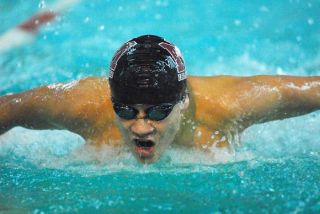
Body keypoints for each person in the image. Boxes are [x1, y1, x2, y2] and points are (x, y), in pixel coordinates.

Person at [0, 35, 319, 164]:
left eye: (157, 111)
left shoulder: (231, 105)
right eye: (126, 111)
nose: (140, 127)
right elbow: (8, 108)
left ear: (184, 102)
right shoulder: (82, 105)